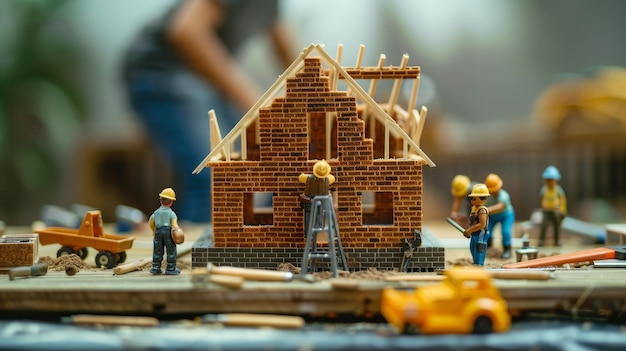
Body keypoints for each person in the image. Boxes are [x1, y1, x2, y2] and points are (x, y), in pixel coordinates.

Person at [123, 0, 295, 223]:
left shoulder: (272, 6)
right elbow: (186, 30)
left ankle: (257, 245)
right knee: (216, 177)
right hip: (162, 73)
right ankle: (195, 256)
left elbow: (288, 49)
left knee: (269, 161)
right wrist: (258, 105)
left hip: (202, 82)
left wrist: (319, 95)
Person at [149, 188, 182, 275]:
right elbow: (174, 226)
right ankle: (171, 268)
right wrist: (178, 233)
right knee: (171, 250)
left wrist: (154, 230)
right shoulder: (172, 214)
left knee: (157, 250)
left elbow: (151, 222)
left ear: (160, 200)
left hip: (158, 232)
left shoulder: (155, 213)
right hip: (168, 232)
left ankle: (156, 267)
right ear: (171, 201)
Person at [298, 160, 335, 236]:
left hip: (309, 201)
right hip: (321, 202)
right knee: (319, 215)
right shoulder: (328, 179)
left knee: (308, 217)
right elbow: (333, 177)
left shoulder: (307, 178)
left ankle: (308, 234)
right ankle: (317, 229)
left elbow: (300, 177)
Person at [484, 173, 515, 259]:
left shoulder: (503, 195)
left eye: (495, 189)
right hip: (492, 217)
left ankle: (507, 249)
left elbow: (500, 207)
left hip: (506, 215)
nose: (493, 191)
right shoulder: (486, 197)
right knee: (487, 231)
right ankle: (489, 248)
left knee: (505, 231)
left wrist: (486, 210)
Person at [539, 165, 567, 246]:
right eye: (548, 180)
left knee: (556, 227)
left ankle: (556, 241)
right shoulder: (544, 190)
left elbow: (562, 200)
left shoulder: (558, 190)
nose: (550, 182)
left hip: (556, 211)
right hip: (546, 211)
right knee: (544, 225)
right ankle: (541, 240)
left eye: (552, 180)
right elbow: (541, 198)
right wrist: (542, 207)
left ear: (556, 180)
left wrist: (562, 210)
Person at [463, 184, 490, 266]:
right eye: (471, 198)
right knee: (472, 248)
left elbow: (482, 224)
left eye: (474, 198)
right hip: (474, 233)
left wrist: (469, 230)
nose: (471, 200)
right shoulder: (474, 208)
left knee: (479, 248)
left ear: (482, 198)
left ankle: (479, 264)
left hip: (481, 233)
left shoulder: (482, 210)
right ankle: (475, 262)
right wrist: (469, 231)